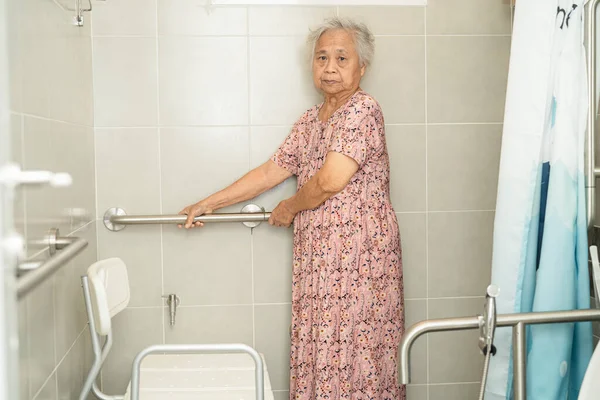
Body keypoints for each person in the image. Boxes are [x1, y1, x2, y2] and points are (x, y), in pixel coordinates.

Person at [179, 16, 405, 400]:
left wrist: (289, 208)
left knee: (359, 358)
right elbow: (271, 171)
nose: (329, 67)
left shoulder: (363, 111)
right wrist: (209, 203)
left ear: (362, 67)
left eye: (341, 58)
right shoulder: (310, 121)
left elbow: (332, 179)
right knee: (323, 355)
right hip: (321, 267)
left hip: (359, 264)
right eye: (321, 58)